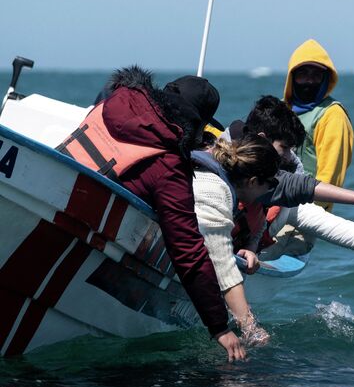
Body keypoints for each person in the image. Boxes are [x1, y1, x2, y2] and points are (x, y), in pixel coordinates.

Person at [56, 66, 245, 362]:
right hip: (71, 233)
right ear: (197, 125)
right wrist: (219, 327)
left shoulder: (108, 105)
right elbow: (188, 251)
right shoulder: (170, 166)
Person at [190, 132, 354, 345]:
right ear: (253, 181)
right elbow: (222, 265)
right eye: (270, 186)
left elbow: (312, 205)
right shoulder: (211, 191)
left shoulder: (248, 177)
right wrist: (249, 328)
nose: (274, 191)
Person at [225, 95, 354, 262]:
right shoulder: (215, 170)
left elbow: (321, 221)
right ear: (262, 139)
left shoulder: (279, 186)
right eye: (285, 148)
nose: (288, 157)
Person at [283, 39, 353, 211]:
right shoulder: (280, 110)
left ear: (326, 79)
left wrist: (310, 212)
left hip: (304, 211)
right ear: (292, 77)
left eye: (316, 75)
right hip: (268, 207)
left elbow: (330, 176)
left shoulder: (332, 115)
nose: (309, 81)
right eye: (303, 74)